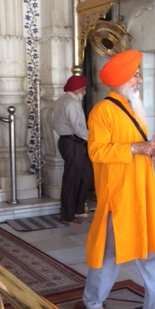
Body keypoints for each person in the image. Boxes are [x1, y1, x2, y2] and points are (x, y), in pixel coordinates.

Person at [83, 49, 155, 309]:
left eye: (138, 75)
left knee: (152, 249)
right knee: (109, 254)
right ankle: (93, 301)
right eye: (134, 75)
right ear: (119, 80)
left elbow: (143, 145)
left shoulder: (135, 108)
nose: (139, 80)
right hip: (119, 195)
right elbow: (97, 151)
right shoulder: (102, 111)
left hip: (143, 192)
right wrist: (137, 148)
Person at [52, 75, 92, 224]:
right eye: (84, 89)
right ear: (77, 89)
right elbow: (78, 127)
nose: (85, 92)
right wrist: (94, 139)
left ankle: (78, 209)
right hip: (72, 143)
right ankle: (68, 215)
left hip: (69, 142)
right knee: (72, 179)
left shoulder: (62, 100)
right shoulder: (72, 103)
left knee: (85, 175)